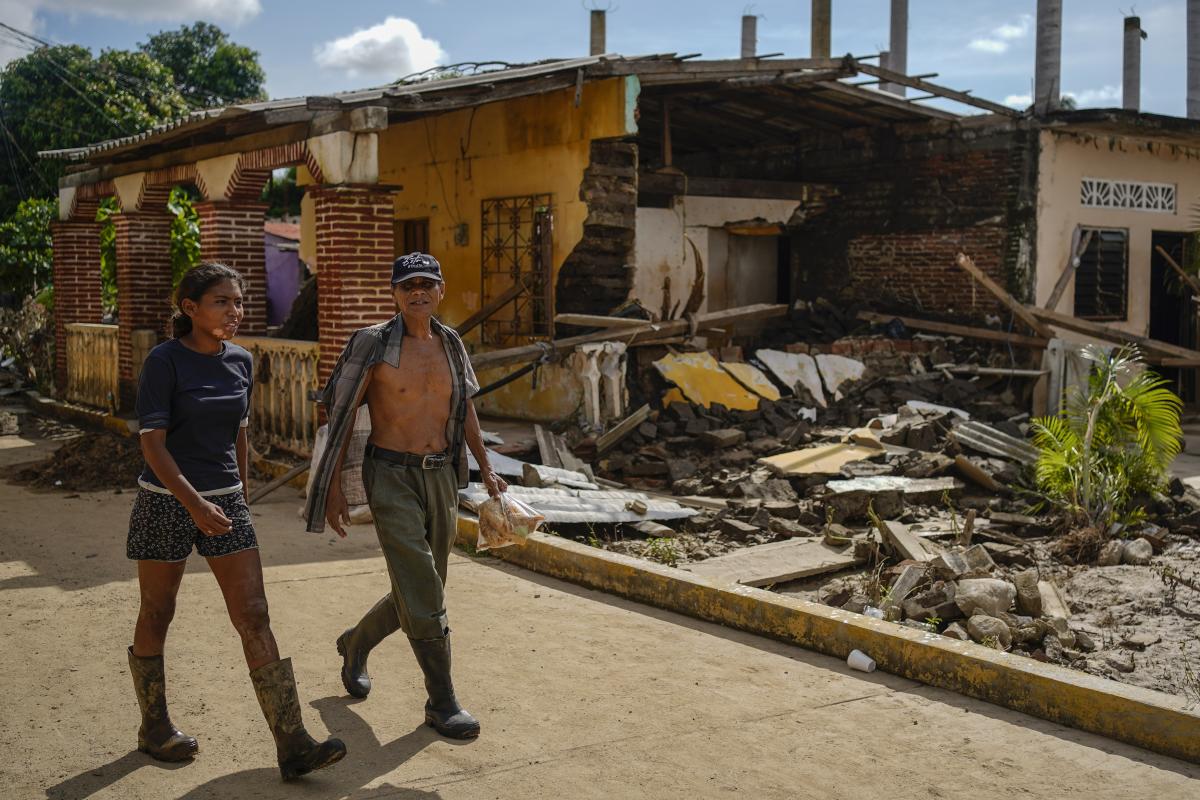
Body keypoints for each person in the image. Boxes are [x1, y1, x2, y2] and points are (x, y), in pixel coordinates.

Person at [127, 263, 346, 780]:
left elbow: (239, 434)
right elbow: (152, 444)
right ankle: (154, 726)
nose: (235, 311)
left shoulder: (241, 361)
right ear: (190, 309)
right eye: (222, 301)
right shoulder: (164, 363)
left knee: (254, 613)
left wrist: (240, 496)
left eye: (239, 301)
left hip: (226, 502)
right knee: (158, 611)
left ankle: (292, 742)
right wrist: (194, 505)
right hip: (165, 500)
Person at [303, 252, 507, 740]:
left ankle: (355, 643)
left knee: (423, 587)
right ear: (394, 294)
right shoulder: (372, 343)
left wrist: (487, 467)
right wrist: (331, 488)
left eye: (426, 283)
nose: (417, 291)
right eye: (406, 284)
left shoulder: (451, 343)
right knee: (422, 585)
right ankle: (442, 701)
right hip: (390, 475)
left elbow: (466, 409)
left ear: (440, 290)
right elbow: (342, 412)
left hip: (440, 475)